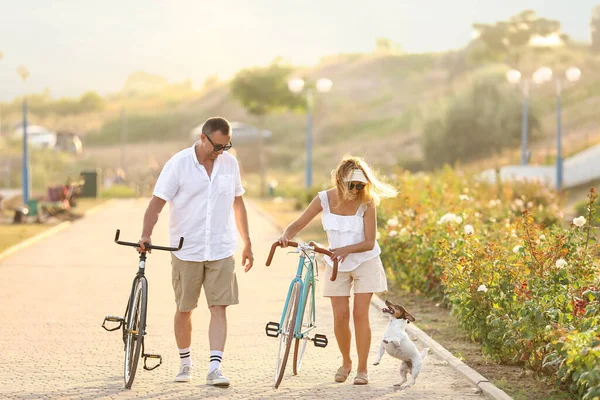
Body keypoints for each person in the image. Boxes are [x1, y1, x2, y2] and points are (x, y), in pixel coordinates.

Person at [137, 117, 254, 387]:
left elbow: (238, 204)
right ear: (203, 138)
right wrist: (146, 234)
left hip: (221, 248)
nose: (221, 151)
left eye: (226, 146)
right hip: (186, 249)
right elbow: (157, 204)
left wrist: (247, 241)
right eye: (217, 146)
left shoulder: (230, 164)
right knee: (185, 308)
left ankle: (215, 367)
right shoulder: (178, 165)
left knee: (219, 307)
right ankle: (185, 362)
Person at [278, 155, 397, 385]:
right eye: (352, 184)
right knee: (340, 316)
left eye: (361, 185)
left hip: (365, 261)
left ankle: (362, 369)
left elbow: (370, 242)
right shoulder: (323, 199)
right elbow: (299, 223)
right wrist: (286, 235)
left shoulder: (368, 202)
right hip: (336, 262)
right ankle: (346, 362)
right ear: (340, 181)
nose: (356, 189)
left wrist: (346, 249)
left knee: (360, 314)